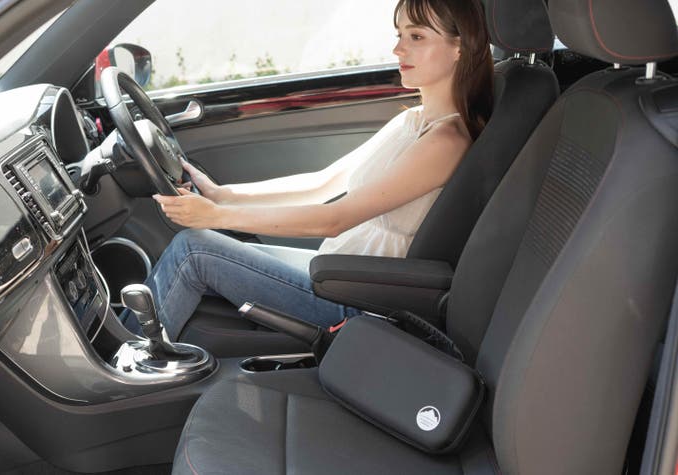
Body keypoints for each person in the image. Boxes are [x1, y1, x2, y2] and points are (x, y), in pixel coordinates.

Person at [120, 0, 493, 340]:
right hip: (337, 273)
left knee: (193, 250)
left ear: (460, 47)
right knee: (207, 247)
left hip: (363, 301)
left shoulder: (446, 141)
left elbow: (334, 219)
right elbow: (323, 183)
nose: (398, 49)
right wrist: (222, 195)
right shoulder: (412, 120)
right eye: (399, 35)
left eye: (417, 37)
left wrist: (216, 216)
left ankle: (124, 364)